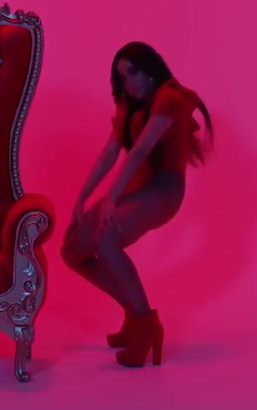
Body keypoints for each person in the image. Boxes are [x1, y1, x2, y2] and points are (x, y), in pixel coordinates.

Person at [60, 41, 213, 368]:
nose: (129, 82)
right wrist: (82, 197)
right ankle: (133, 311)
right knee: (72, 250)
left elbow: (141, 151)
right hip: (135, 186)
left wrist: (111, 199)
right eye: (122, 76)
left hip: (162, 191)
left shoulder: (169, 98)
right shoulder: (129, 103)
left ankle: (146, 325)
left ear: (150, 69)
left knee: (105, 239)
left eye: (134, 72)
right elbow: (109, 153)